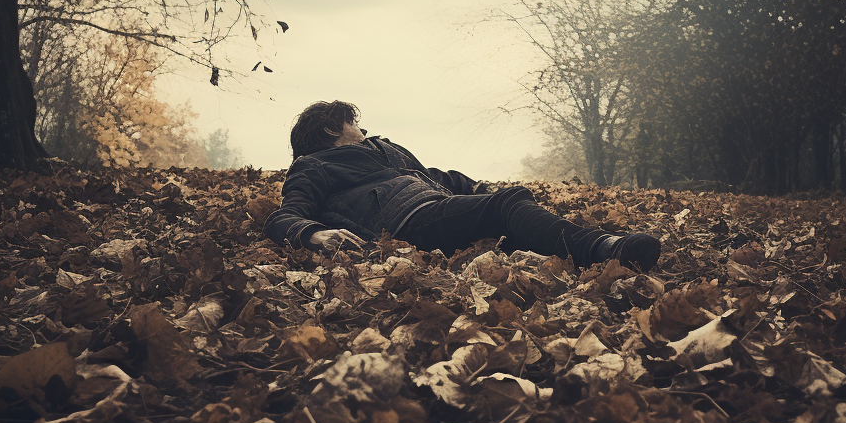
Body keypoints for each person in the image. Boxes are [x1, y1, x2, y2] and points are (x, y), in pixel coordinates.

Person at [264, 100, 661, 272]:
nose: (362, 128)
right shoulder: (313, 165)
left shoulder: (386, 149)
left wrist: (478, 188)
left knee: (510, 220)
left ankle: (583, 245)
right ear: (334, 128)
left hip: (435, 209)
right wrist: (313, 234)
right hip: (402, 226)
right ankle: (607, 250)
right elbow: (286, 215)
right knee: (507, 206)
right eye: (352, 122)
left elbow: (436, 178)